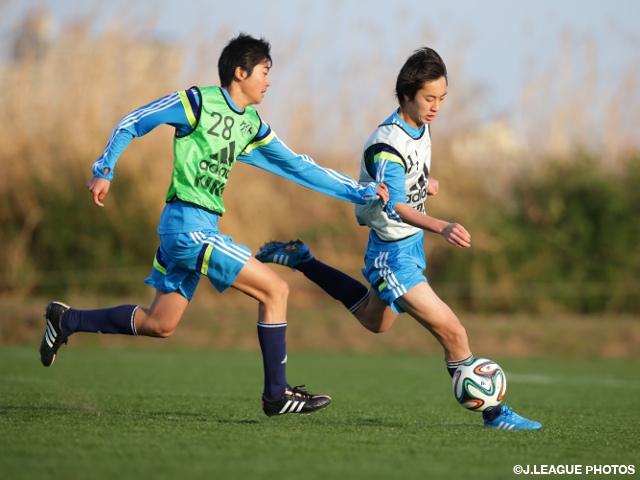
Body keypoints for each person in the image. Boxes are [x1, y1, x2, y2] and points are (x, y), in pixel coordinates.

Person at [39, 33, 389, 418]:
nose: (269, 81)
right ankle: (276, 395)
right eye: (264, 72)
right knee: (275, 290)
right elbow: (134, 121)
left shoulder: (252, 124)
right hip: (187, 227)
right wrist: (104, 169)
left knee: (160, 324)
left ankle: (66, 319)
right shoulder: (197, 102)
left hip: (197, 226)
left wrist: (361, 192)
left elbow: (298, 165)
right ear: (240, 72)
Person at [256, 47, 542, 429]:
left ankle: (304, 260)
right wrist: (442, 225)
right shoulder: (387, 145)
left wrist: (426, 182)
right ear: (406, 95)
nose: (436, 106)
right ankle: (495, 414)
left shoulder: (420, 125)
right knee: (453, 331)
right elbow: (396, 207)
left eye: (441, 98)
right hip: (393, 256)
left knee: (377, 323)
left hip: (408, 248)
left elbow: (408, 181)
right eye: (429, 98)